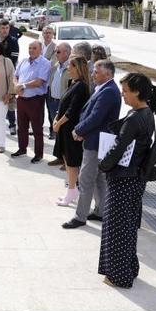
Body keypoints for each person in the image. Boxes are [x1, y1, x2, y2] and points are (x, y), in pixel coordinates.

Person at [98, 72, 156, 288]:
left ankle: (119, 276)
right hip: (136, 178)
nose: (122, 95)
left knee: (117, 229)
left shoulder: (134, 118)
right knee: (128, 226)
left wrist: (103, 165)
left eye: (125, 91)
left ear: (137, 92)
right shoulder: (147, 113)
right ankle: (129, 269)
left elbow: (118, 148)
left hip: (123, 179)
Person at [62, 59, 121, 229]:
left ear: (108, 74)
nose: (92, 74)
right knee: (97, 179)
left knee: (86, 179)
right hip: (95, 139)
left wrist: (78, 130)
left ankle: (80, 217)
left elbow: (96, 117)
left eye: (96, 71)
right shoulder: (102, 88)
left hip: (97, 142)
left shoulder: (109, 91)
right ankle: (101, 211)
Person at [52, 56, 91, 206]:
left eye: (71, 66)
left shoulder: (81, 86)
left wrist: (58, 123)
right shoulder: (73, 83)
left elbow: (72, 110)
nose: (68, 68)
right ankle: (72, 190)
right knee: (67, 159)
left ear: (78, 68)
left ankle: (72, 190)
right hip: (63, 126)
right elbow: (63, 104)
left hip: (70, 128)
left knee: (72, 161)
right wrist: (56, 118)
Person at [11, 40, 50, 163]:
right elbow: (15, 76)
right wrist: (16, 86)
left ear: (40, 50)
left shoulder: (45, 63)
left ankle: (38, 154)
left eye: (34, 48)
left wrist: (23, 86)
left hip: (35, 100)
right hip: (22, 99)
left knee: (37, 128)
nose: (31, 50)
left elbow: (40, 81)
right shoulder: (23, 61)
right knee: (21, 126)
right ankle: (22, 149)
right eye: (29, 48)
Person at [0, 19, 20, 134]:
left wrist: (1, 64)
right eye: (3, 28)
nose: (5, 30)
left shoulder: (13, 41)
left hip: (7, 74)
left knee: (8, 99)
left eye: (7, 28)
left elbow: (14, 59)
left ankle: (12, 124)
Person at [46, 42, 71, 148]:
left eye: (58, 51)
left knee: (64, 131)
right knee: (56, 129)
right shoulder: (56, 65)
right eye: (55, 51)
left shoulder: (71, 68)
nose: (56, 53)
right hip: (52, 101)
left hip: (63, 104)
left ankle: (64, 158)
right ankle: (59, 155)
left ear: (66, 53)